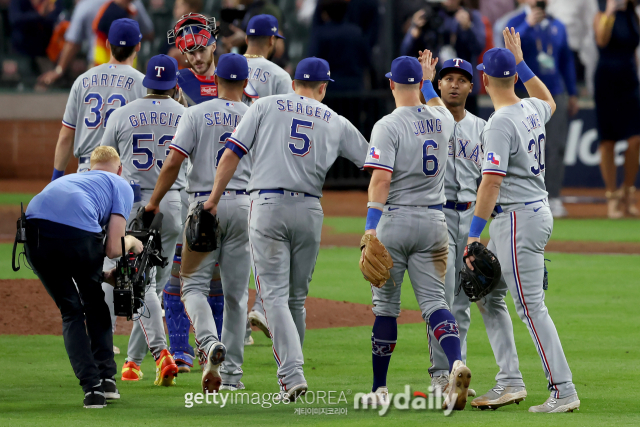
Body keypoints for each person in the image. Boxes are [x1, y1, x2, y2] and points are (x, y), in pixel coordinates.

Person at [203, 57, 369, 400]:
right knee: (296, 300)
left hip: (267, 206)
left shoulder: (264, 105)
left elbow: (232, 153)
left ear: (294, 83)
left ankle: (292, 374)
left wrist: (213, 199)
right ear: (323, 88)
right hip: (310, 210)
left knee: (274, 296)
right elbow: (373, 162)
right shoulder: (335, 120)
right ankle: (291, 373)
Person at [468, 28, 580, 413]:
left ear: (483, 80)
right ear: (514, 77)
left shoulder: (498, 123)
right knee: (487, 295)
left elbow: (491, 184)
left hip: (516, 218)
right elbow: (548, 98)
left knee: (531, 308)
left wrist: (472, 235)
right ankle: (510, 381)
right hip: (532, 212)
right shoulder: (530, 108)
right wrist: (523, 60)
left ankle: (563, 390)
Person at [358, 53, 473, 410]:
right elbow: (436, 103)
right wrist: (428, 80)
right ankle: (455, 363)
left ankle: (379, 387)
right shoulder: (442, 117)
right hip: (434, 224)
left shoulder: (387, 125)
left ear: (391, 83)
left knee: (386, 309)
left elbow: (380, 180)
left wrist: (369, 230)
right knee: (437, 304)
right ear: (419, 85)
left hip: (395, 219)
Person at [146, 53, 253, 393]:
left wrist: (153, 202)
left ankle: (208, 343)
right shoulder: (256, 114)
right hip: (245, 207)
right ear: (246, 83)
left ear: (216, 80)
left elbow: (173, 162)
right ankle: (233, 377)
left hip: (203, 206)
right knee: (236, 296)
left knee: (192, 285)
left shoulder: (195, 113)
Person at [24, 146, 143, 408]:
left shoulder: (70, 179)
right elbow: (113, 247)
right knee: (93, 301)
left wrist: (99, 274)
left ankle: (92, 390)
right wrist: (134, 243)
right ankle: (107, 380)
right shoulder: (119, 183)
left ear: (89, 168)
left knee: (70, 310)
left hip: (33, 235)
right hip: (76, 235)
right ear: (119, 169)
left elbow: (63, 241)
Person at [100, 54, 185, 386]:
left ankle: (149, 357)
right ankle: (134, 363)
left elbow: (104, 162)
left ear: (146, 82)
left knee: (139, 282)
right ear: (175, 85)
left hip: (132, 202)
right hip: (174, 203)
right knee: (152, 286)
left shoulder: (122, 114)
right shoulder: (185, 113)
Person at [241, 14, 294, 345]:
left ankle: (232, 327)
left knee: (219, 257)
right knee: (268, 251)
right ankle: (260, 306)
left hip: (221, 164)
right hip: (262, 171)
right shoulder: (279, 74)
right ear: (272, 40)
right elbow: (289, 122)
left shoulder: (222, 65)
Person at [507, 0, 579, 218]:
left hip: (554, 93)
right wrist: (527, 25)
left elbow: (566, 60)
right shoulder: (516, 22)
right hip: (521, 93)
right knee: (520, 148)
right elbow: (505, 55)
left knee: (556, 145)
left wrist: (573, 92)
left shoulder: (557, 25)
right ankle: (517, 198)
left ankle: (554, 197)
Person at [52, 18, 145, 177]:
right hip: (123, 172)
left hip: (87, 170)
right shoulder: (144, 84)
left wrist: (56, 178)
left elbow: (66, 136)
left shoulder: (83, 80)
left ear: (108, 44)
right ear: (138, 45)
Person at [37, 0, 153, 87]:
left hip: (100, 66)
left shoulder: (86, 5)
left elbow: (73, 42)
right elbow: (148, 33)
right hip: (123, 65)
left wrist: (59, 70)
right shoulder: (132, 4)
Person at [594, 0, 640, 217]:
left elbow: (634, 50)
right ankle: (611, 195)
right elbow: (601, 40)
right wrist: (610, 12)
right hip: (606, 82)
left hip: (630, 82)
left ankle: (628, 191)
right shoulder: (601, 13)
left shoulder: (633, 15)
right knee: (608, 141)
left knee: (635, 140)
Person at [400, 0, 485, 113]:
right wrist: (415, 31)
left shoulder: (471, 15)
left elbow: (479, 48)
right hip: (435, 85)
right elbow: (406, 52)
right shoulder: (428, 15)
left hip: (464, 86)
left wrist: (468, 27)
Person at [307, 0, 370, 92]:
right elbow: (367, 60)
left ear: (325, 13)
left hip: (330, 91)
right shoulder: (356, 33)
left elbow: (312, 61)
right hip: (355, 90)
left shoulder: (321, 35)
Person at [92, 0, 155, 67]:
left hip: (123, 63)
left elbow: (149, 33)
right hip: (107, 60)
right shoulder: (109, 12)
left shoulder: (131, 9)